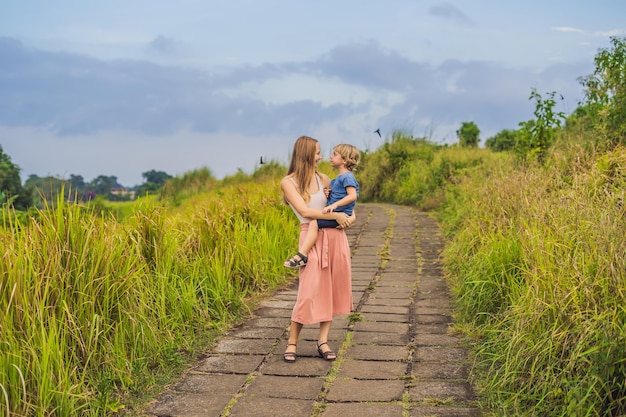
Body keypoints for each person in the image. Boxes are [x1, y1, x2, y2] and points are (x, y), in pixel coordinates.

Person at [280, 135, 355, 363]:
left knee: (331, 290)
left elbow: (348, 204)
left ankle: (323, 341)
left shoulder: (325, 178)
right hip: (310, 236)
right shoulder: (289, 182)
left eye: (322, 152)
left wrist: (350, 217)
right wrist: (337, 215)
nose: (321, 157)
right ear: (305, 155)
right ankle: (292, 342)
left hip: (335, 237)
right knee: (307, 291)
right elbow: (305, 212)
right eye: (317, 153)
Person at [284, 143, 360, 268]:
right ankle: (302, 255)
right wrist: (329, 194)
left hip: (334, 232)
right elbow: (305, 212)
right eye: (318, 153)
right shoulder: (336, 179)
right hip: (322, 229)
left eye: (334, 154)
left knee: (314, 223)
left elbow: (352, 197)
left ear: (345, 160)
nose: (325, 157)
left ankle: (302, 255)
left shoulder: (344, 178)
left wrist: (341, 212)